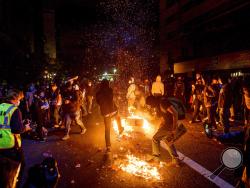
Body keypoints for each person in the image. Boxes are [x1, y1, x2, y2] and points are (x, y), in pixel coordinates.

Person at [0, 89, 31, 186]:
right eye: (20, 99)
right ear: (15, 98)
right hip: (11, 146)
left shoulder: (0, 106)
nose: (20, 101)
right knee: (18, 168)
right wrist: (25, 128)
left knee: (3, 171)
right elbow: (17, 130)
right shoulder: (15, 110)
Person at [147, 98, 182, 167]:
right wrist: (161, 126)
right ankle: (176, 160)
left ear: (152, 102)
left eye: (149, 105)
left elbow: (175, 113)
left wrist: (174, 128)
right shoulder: (158, 106)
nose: (149, 107)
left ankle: (156, 160)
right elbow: (164, 117)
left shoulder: (163, 103)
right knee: (168, 141)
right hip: (167, 125)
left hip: (170, 126)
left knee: (155, 139)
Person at [96, 79, 124, 153]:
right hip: (112, 110)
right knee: (118, 116)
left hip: (106, 113)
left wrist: (103, 105)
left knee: (107, 129)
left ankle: (108, 146)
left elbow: (98, 102)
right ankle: (120, 128)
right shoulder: (110, 90)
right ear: (108, 84)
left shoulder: (98, 93)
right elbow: (111, 98)